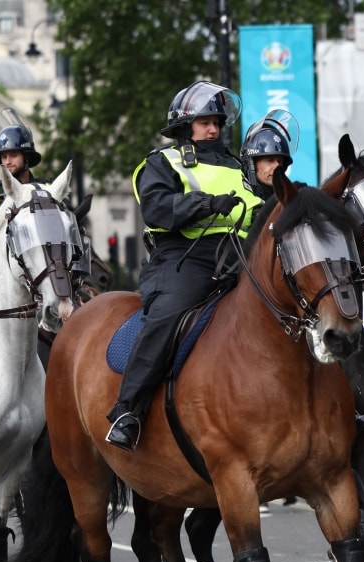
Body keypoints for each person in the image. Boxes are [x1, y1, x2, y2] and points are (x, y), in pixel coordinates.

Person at [104, 81, 262, 451]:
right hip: (186, 257)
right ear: (184, 125)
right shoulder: (163, 162)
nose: (214, 129)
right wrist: (205, 204)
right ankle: (128, 411)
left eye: (218, 122)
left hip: (240, 255)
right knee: (167, 317)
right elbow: (157, 209)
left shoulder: (241, 168)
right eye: (206, 121)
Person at [0, 108, 45, 196]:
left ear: (27, 156)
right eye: (4, 157)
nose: (7, 162)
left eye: (14, 155)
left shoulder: (45, 188)